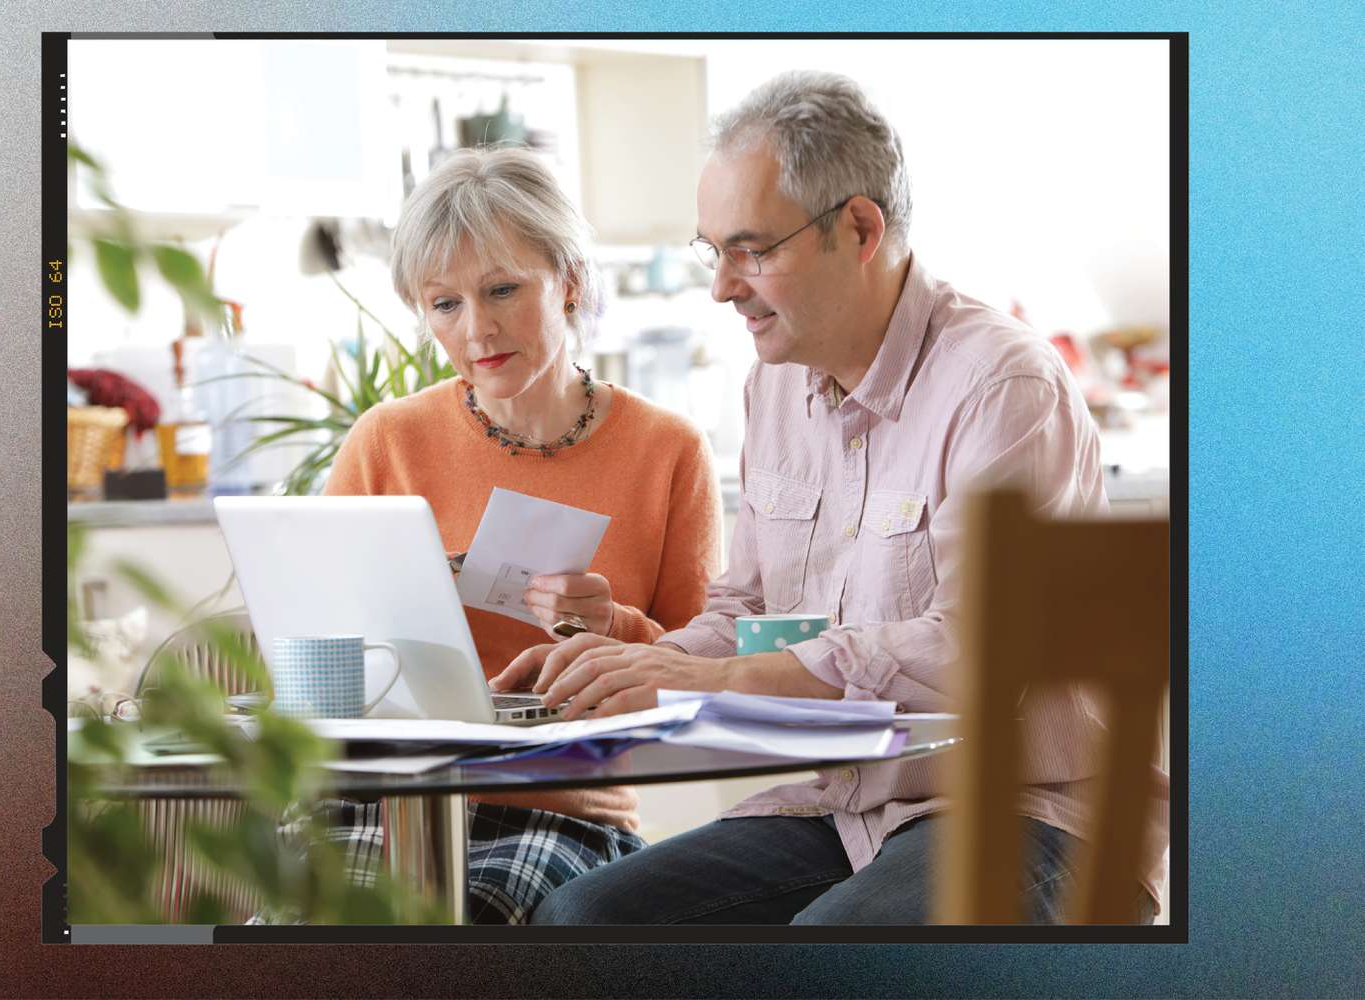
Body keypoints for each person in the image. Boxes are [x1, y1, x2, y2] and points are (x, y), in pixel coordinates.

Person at [496, 71, 1168, 925]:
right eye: (714, 251)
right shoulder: (774, 388)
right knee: (581, 921)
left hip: (1033, 812)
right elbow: (748, 609)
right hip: (849, 810)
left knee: (828, 948)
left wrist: (723, 674)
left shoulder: (1004, 386)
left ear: (858, 228)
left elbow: (985, 650)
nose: (721, 286)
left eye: (752, 249)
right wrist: (636, 669)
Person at [316, 146, 723, 924]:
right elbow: (316, 653)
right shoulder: (387, 440)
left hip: (560, 808)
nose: (477, 330)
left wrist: (613, 631)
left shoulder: (667, 450)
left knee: (464, 920)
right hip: (385, 796)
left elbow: (702, 675)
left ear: (569, 282)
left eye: (502, 289)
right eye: (444, 305)